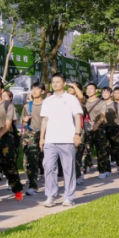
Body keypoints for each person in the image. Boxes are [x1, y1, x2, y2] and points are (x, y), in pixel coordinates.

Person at [39, 73, 84, 207]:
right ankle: (50, 195)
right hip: (50, 140)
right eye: (53, 82)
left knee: (68, 169)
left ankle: (69, 197)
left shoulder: (71, 99)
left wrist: (77, 134)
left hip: (67, 139)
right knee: (48, 168)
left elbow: (77, 117)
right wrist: (42, 138)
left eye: (58, 82)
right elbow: (45, 119)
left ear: (64, 84)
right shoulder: (48, 100)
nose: (55, 84)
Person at [20, 81, 45, 195]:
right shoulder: (27, 106)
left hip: (46, 135)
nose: (34, 91)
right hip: (30, 135)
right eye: (33, 89)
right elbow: (22, 122)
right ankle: (33, 185)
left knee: (44, 161)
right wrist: (24, 121)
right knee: (29, 161)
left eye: (37, 89)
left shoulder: (47, 105)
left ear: (43, 91)